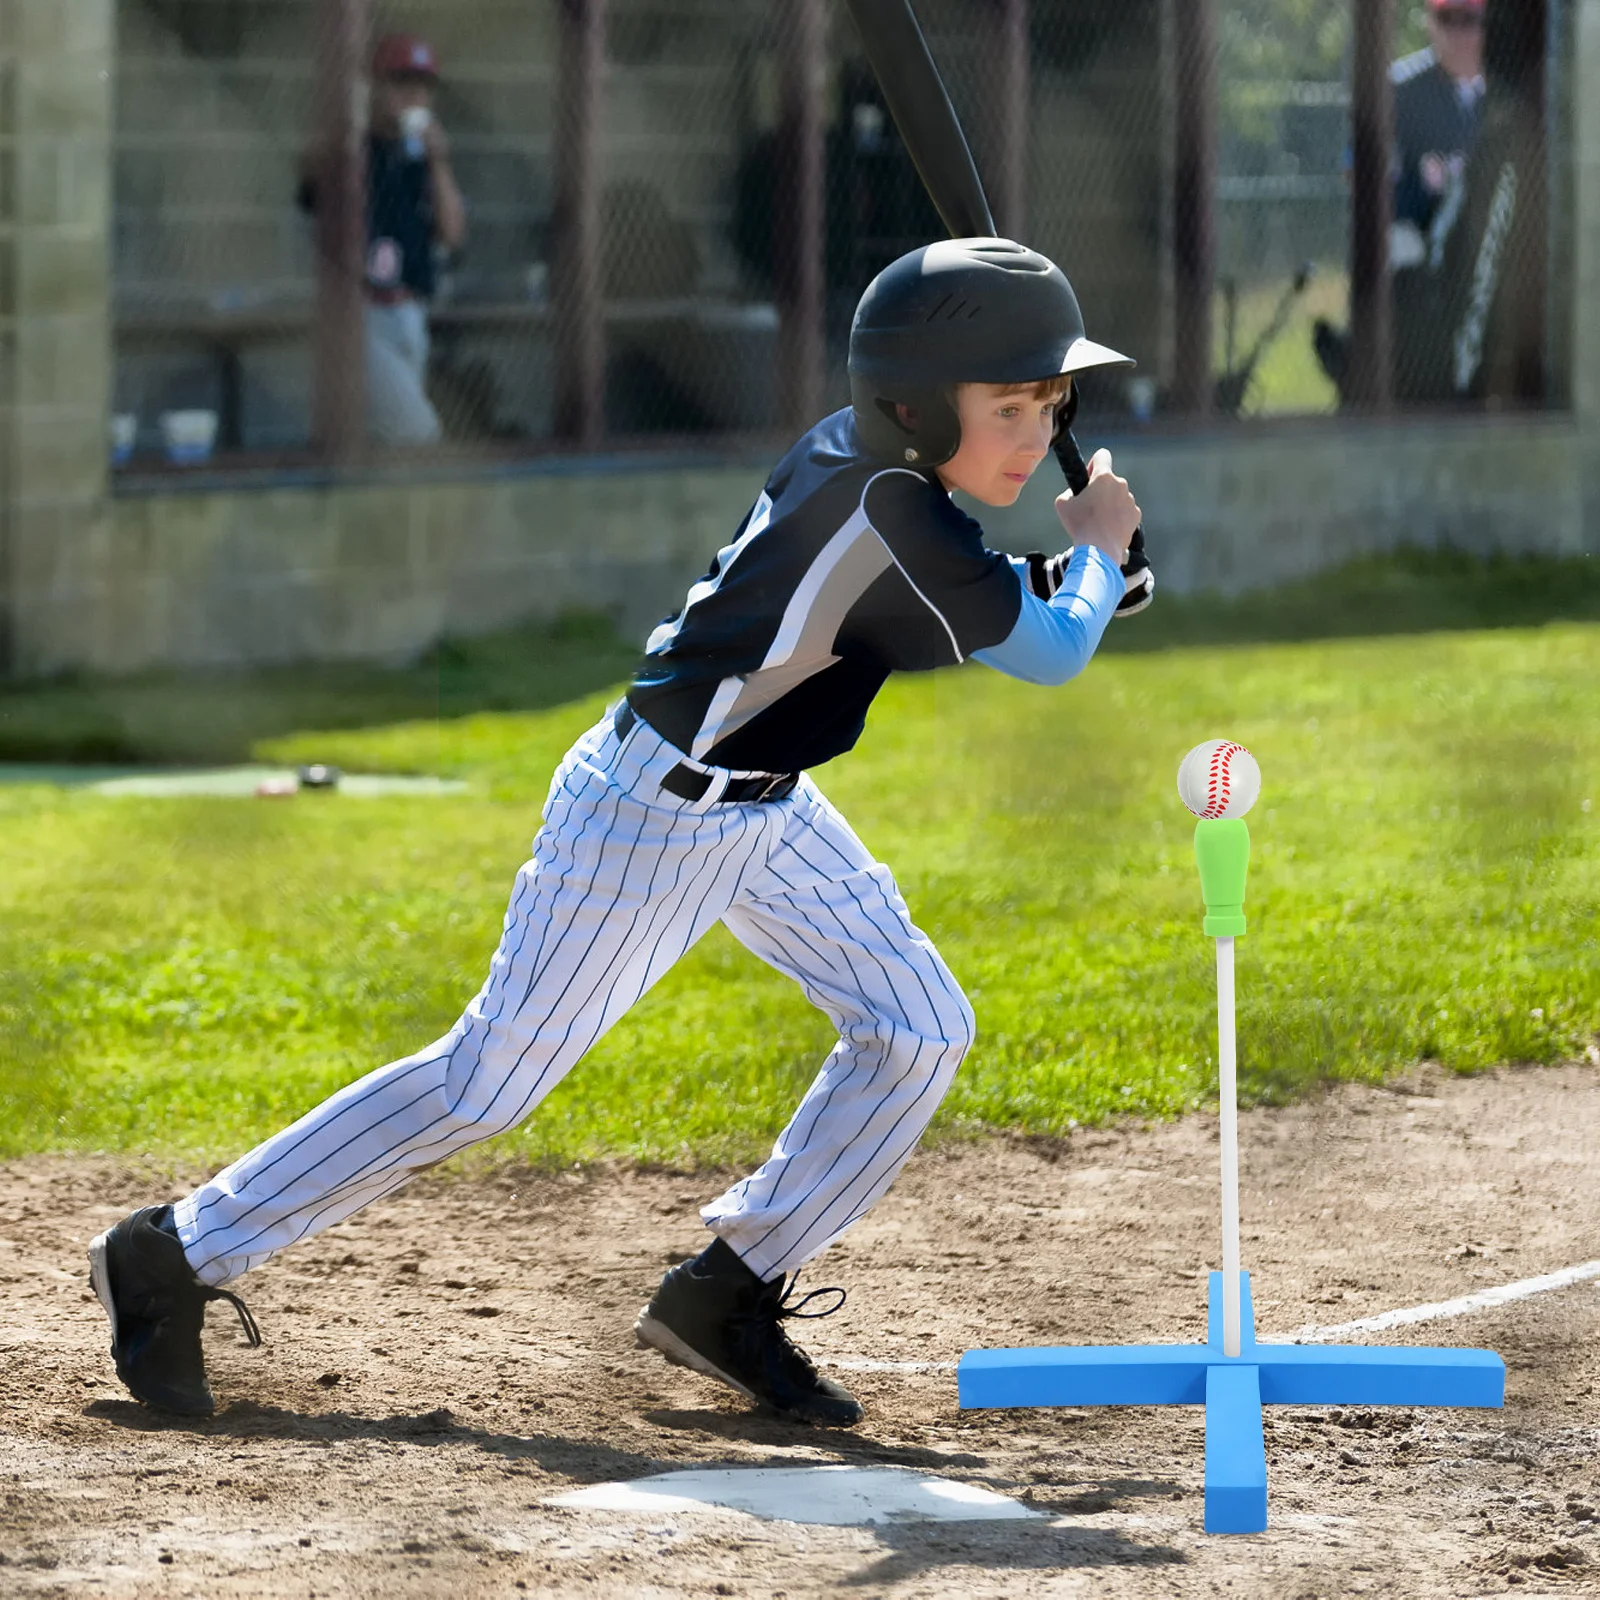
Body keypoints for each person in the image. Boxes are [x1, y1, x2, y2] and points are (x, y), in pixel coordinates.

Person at [88, 239, 1146, 1429]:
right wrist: (1097, 556)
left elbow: (955, 604)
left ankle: (726, 1291)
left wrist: (1075, 571)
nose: (1027, 432)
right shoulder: (891, 508)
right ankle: (173, 1251)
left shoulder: (875, 471)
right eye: (1004, 404)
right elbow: (1049, 648)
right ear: (909, 402)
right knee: (484, 1084)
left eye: (1047, 405)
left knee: (917, 1026)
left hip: (768, 804)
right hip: (649, 819)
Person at [299, 33, 468, 445]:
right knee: (418, 435)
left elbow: (452, 234)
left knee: (381, 443)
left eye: (423, 87)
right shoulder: (352, 149)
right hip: (360, 316)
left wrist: (438, 164)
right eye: (401, 83)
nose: (414, 96)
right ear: (374, 86)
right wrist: (350, 128)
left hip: (411, 311)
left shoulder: (423, 154)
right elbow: (308, 181)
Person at [1314, 0, 1486, 403]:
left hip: (1479, 245)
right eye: (1446, 19)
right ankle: (1366, 373)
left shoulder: (1506, 92)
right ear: (1429, 22)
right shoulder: (1400, 90)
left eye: (1470, 20)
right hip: (1415, 249)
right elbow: (1358, 171)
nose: (1456, 32)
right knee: (1400, 257)